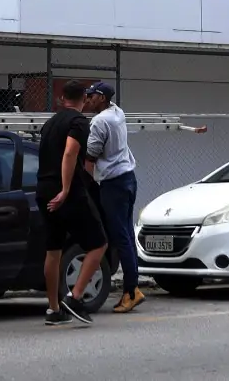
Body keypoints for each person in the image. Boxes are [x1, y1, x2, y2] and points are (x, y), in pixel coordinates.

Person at [37, 81, 107, 326]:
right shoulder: (78, 122)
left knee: (53, 250)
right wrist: (66, 189)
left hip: (43, 190)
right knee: (99, 244)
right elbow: (69, 153)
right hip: (66, 192)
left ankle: (54, 309)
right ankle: (75, 298)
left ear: (61, 98)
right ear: (84, 100)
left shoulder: (49, 124)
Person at [84, 81, 144, 313]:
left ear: (101, 98)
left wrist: (85, 183)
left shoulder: (100, 121)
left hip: (113, 183)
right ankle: (134, 286)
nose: (88, 100)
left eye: (91, 96)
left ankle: (131, 292)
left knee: (120, 238)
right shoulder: (117, 112)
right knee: (127, 235)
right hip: (128, 178)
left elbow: (90, 157)